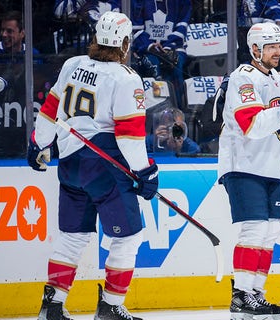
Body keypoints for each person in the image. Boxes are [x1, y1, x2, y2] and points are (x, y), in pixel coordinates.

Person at [28, 11, 158, 320]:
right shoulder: (126, 78)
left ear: (96, 38)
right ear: (124, 43)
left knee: (73, 237)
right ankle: (111, 305)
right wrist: (144, 171)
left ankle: (53, 306)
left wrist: (40, 143)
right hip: (105, 168)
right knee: (127, 237)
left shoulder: (72, 65)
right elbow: (128, 136)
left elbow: (49, 111)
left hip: (71, 164)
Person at [217, 22, 280, 320]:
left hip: (270, 167)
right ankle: (241, 295)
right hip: (244, 165)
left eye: (279, 46)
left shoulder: (273, 77)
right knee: (255, 229)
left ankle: (255, 293)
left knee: (271, 231)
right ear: (255, 49)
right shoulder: (244, 78)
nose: (277, 51)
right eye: (270, 46)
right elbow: (252, 125)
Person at [131, 0, 191, 110]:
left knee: (174, 65)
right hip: (146, 49)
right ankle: (159, 110)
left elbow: (182, 27)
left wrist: (167, 48)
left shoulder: (183, 2)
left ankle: (177, 112)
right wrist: (149, 46)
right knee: (154, 67)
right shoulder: (138, 2)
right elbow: (136, 29)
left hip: (174, 47)